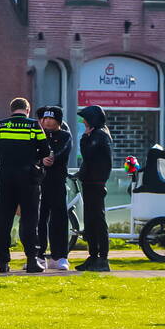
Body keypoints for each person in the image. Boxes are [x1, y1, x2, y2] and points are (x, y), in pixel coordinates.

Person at [0, 97, 50, 273]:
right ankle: (32, 260)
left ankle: (3, 262)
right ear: (28, 110)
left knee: (3, 221)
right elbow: (45, 150)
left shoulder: (1, 126)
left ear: (11, 109)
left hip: (6, 177)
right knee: (30, 220)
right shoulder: (33, 126)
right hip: (28, 178)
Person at [76, 105, 113, 272]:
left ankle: (102, 258)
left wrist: (84, 138)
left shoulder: (99, 135)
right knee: (90, 220)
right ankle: (93, 256)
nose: (83, 121)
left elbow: (88, 155)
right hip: (91, 182)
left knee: (97, 220)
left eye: (85, 118)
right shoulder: (98, 134)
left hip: (96, 183)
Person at [36, 106, 72, 271]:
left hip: (57, 182)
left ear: (58, 120)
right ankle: (38, 255)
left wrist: (51, 157)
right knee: (39, 219)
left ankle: (60, 256)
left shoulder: (65, 135)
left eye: (51, 118)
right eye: (44, 118)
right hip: (38, 182)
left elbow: (60, 152)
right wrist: (40, 160)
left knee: (59, 219)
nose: (47, 121)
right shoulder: (37, 134)